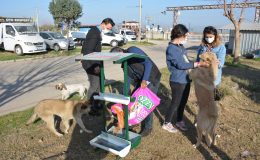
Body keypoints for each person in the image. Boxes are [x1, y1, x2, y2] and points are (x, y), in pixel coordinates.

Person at [162, 24, 208, 133]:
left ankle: (179, 120)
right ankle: (166, 123)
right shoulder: (171, 49)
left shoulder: (180, 47)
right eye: (185, 36)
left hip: (186, 79)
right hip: (177, 81)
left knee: (182, 102)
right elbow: (181, 65)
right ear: (179, 35)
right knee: (175, 102)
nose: (186, 38)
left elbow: (186, 61)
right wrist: (198, 64)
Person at [110, 46, 161, 137]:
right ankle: (132, 122)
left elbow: (148, 63)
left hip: (152, 77)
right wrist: (125, 96)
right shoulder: (125, 64)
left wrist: (144, 80)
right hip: (141, 80)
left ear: (121, 52)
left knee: (145, 104)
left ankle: (148, 128)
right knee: (133, 100)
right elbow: (127, 80)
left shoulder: (133, 51)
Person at [81, 18, 115, 115]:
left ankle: (96, 105)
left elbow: (85, 45)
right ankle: (88, 108)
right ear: (103, 24)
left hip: (93, 62)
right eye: (108, 28)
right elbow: (89, 51)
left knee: (100, 84)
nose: (108, 30)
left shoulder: (95, 31)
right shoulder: (94, 32)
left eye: (110, 29)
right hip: (91, 63)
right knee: (94, 86)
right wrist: (94, 65)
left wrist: (82, 55)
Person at [196, 26, 226, 101]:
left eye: (210, 37)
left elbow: (221, 64)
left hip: (213, 78)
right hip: (203, 76)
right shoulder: (202, 46)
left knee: (212, 98)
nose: (208, 38)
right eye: (206, 37)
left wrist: (214, 62)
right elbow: (198, 59)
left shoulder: (221, 47)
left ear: (215, 36)